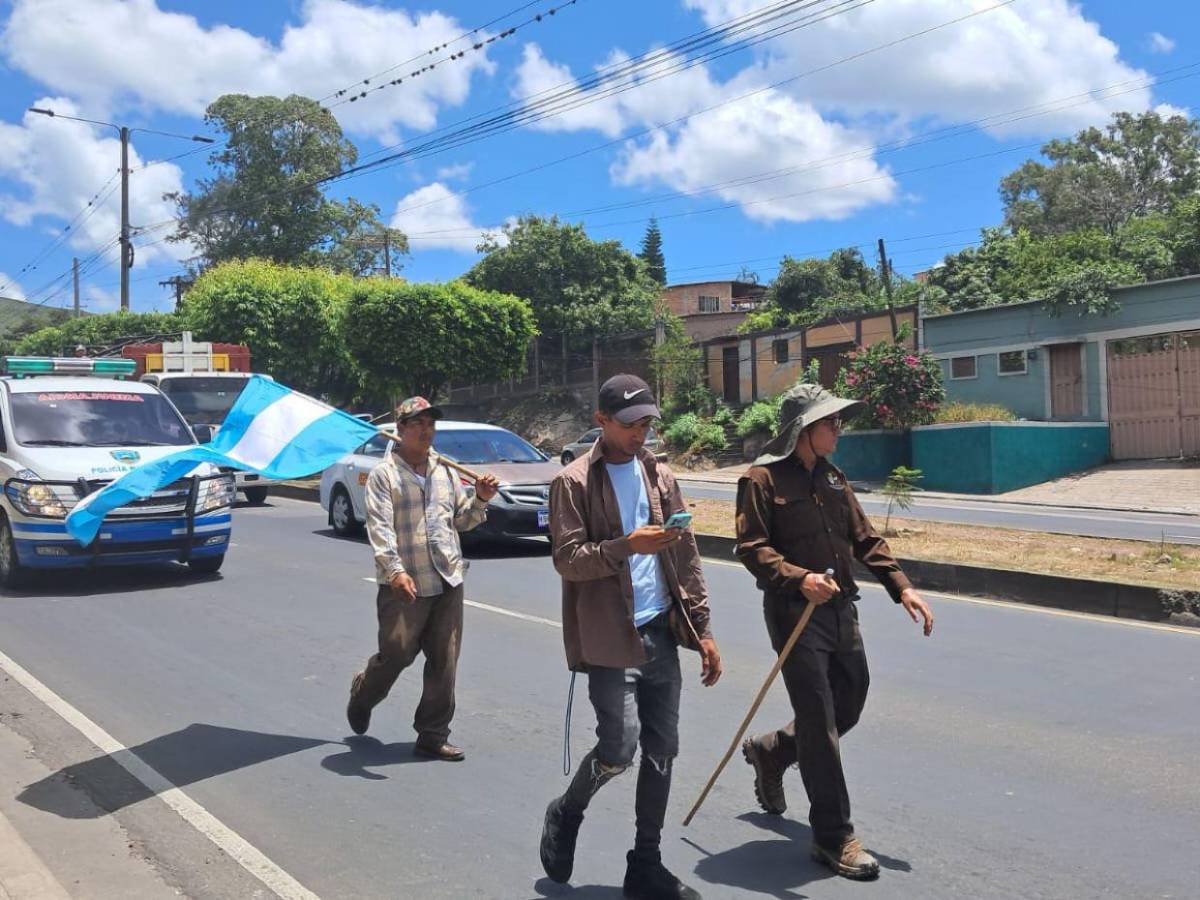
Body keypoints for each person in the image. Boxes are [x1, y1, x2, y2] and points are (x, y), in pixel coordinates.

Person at [734, 383, 934, 881]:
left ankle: (773, 750)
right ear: (804, 428)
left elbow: (865, 537)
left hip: (841, 611)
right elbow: (751, 547)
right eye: (830, 422)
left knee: (850, 703)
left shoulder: (833, 477)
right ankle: (833, 837)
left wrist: (900, 585)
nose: (838, 429)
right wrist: (799, 578)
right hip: (795, 615)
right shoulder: (761, 478)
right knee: (820, 722)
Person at [540, 374, 722, 900]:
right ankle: (567, 809)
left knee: (663, 750)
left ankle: (645, 863)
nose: (640, 433)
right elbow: (567, 561)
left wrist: (703, 630)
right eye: (629, 424)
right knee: (619, 749)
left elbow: (684, 554)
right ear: (601, 422)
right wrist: (626, 546)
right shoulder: (572, 482)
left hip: (660, 632)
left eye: (646, 423)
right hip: (609, 637)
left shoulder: (657, 474)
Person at [345, 396, 499, 761]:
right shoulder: (385, 476)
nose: (426, 430)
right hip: (404, 586)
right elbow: (379, 529)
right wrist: (395, 571)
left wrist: (480, 499)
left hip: (447, 578)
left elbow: (461, 520)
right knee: (397, 655)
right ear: (400, 430)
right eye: (417, 424)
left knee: (444, 660)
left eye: (430, 424)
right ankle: (364, 693)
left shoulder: (444, 472)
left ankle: (432, 733)